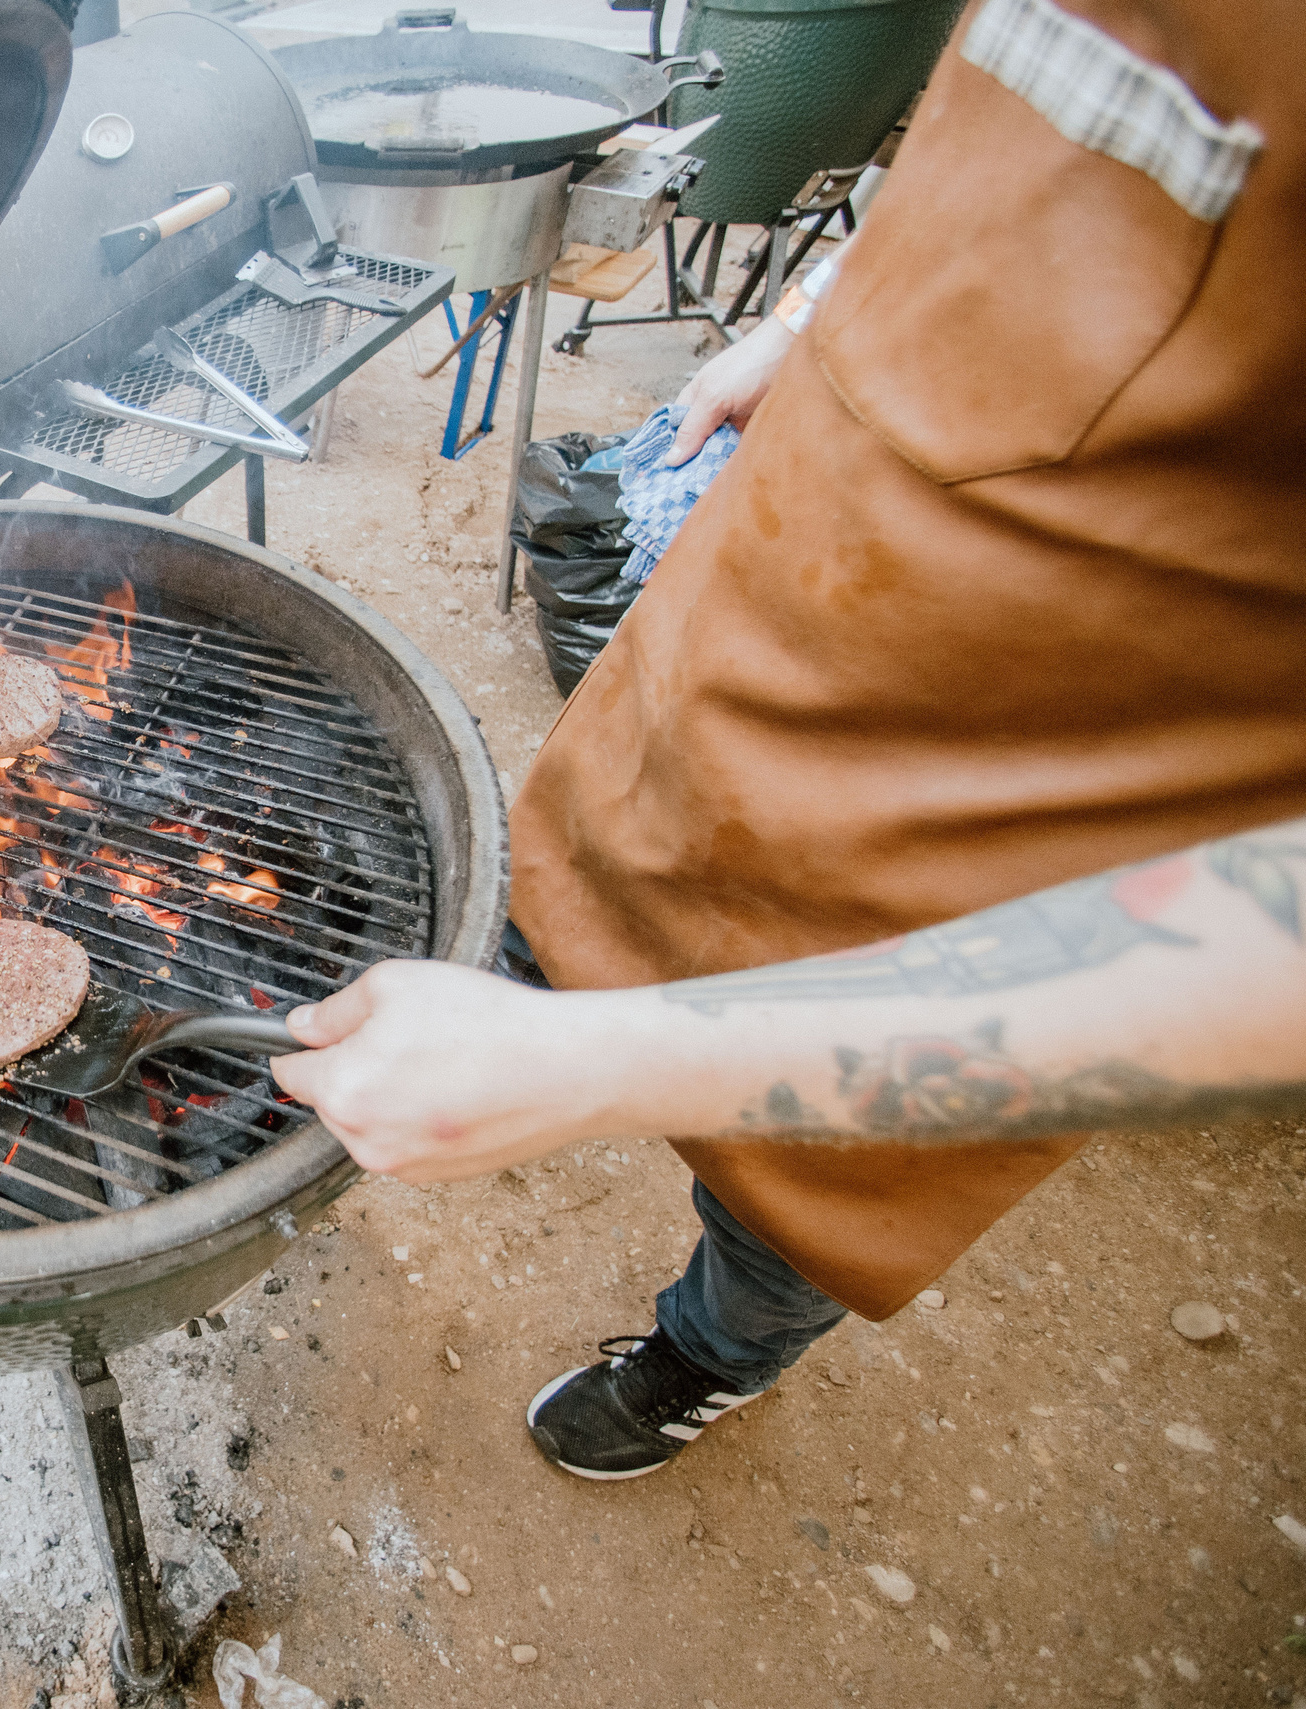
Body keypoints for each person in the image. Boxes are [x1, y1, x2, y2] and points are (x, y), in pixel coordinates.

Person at [271, 0, 1306, 1481]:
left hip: (1030, 819)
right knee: (572, 889)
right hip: (783, 596)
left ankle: (708, 1355)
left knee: (812, 1181)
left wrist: (608, 1064)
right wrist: (829, 315)